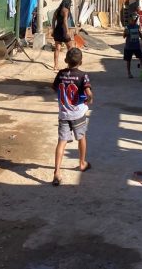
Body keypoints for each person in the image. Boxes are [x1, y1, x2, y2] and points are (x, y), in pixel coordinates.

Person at [52, 47, 93, 186]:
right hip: (78, 113)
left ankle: (57, 172)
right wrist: (90, 99)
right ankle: (82, 163)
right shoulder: (83, 75)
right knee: (81, 138)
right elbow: (88, 93)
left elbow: (55, 88)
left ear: (65, 61)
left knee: (61, 142)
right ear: (81, 62)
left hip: (63, 113)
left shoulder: (61, 73)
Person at [51, 0, 75, 70]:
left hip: (57, 30)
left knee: (57, 49)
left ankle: (55, 66)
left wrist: (53, 29)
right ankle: (69, 65)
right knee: (70, 48)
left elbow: (53, 20)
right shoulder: (66, 10)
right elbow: (65, 21)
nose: (70, 6)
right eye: (70, 4)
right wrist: (67, 31)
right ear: (68, 4)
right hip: (63, 31)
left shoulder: (57, 10)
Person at [123, 14, 142, 78]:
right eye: (133, 20)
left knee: (141, 58)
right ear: (130, 20)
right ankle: (129, 73)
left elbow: (139, 33)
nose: (134, 21)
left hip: (136, 46)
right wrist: (125, 33)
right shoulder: (127, 27)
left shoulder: (137, 26)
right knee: (128, 60)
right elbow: (124, 36)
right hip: (129, 47)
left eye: (135, 20)